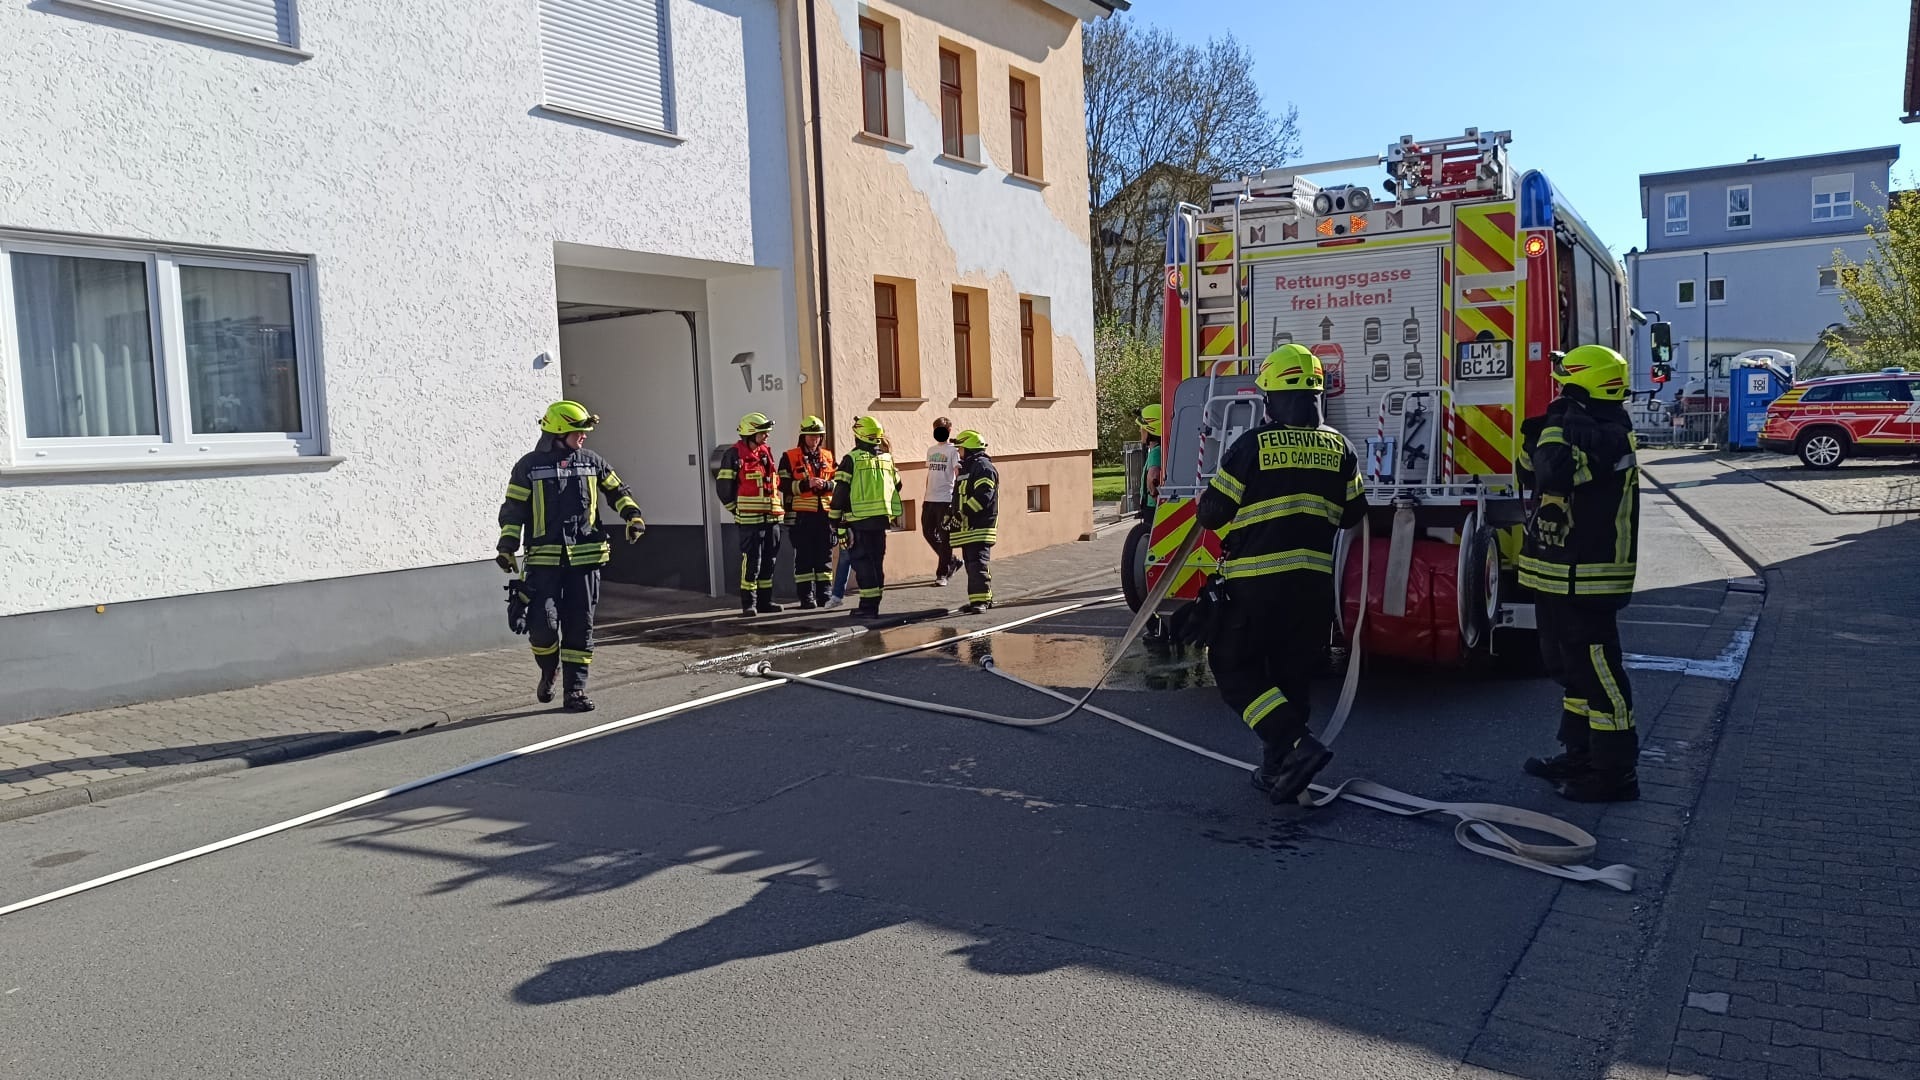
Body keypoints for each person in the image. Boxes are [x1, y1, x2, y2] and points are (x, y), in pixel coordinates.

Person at [1194, 345, 1367, 804]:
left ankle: (1297, 746)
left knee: (1234, 668)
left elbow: (1212, 514)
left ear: (1270, 397)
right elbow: (1354, 514)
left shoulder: (1253, 446)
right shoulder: (1341, 448)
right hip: (1312, 590)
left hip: (1257, 586)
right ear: (1316, 395)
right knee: (1291, 676)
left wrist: (1208, 499)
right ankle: (1278, 770)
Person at [1517, 345, 1642, 803]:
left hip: (1590, 573)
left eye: (1566, 385)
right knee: (1570, 670)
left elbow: (1555, 472)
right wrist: (1542, 432)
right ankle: (1581, 754)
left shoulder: (1608, 435)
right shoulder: (1575, 427)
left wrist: (1553, 425)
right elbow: (1529, 471)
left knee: (1599, 673)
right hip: (1555, 571)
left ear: (1582, 386)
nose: (1559, 392)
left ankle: (1615, 772)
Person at [496, 401, 646, 712]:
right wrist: (507, 546)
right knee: (542, 625)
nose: (584, 436)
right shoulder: (529, 466)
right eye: (579, 431)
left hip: (585, 561)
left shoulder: (592, 462)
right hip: (543, 563)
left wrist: (633, 516)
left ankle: (575, 691)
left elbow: (618, 491)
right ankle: (549, 669)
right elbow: (514, 509)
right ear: (559, 433)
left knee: (580, 626)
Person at [831, 415, 903, 619]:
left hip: (859, 522)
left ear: (858, 436)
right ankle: (873, 604)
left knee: (863, 564)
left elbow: (840, 492)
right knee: (876, 563)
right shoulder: (886, 459)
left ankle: (868, 608)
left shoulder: (851, 459)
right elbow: (898, 485)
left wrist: (834, 520)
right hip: (880, 521)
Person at [716, 413, 786, 616]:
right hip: (750, 520)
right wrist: (736, 510)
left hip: (771, 518)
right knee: (752, 561)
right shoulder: (733, 455)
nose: (766, 436)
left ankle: (765, 601)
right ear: (750, 434)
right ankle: (749, 603)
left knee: (769, 562)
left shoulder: (765, 453)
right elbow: (724, 488)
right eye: (762, 432)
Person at [779, 415, 836, 610]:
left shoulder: (828, 456)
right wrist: (806, 484)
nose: (815, 439)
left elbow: (839, 482)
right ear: (803, 436)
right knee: (804, 559)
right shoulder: (789, 456)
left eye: (818, 436)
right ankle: (806, 598)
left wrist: (826, 484)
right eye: (811, 436)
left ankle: (825, 596)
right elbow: (783, 484)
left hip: (824, 516)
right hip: (801, 517)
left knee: (824, 558)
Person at [945, 430, 998, 614]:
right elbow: (959, 496)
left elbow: (983, 496)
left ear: (969, 449)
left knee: (978, 564)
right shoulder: (968, 468)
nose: (959, 452)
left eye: (960, 449)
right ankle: (980, 599)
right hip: (969, 527)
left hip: (980, 526)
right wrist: (950, 514)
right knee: (971, 564)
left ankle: (980, 602)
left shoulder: (983, 467)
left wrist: (962, 514)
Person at [923, 417, 960, 585]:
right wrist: (926, 493)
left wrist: (956, 497)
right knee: (928, 532)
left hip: (945, 499)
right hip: (930, 498)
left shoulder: (954, 451)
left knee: (945, 537)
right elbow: (930, 473)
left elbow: (957, 473)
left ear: (949, 430)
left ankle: (942, 574)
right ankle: (952, 560)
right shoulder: (931, 450)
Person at [1137, 403, 1164, 520]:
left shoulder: (1156, 452)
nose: (1140, 430)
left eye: (1142, 428)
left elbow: (1153, 476)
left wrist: (1153, 494)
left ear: (1151, 430)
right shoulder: (1160, 449)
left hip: (1151, 506)